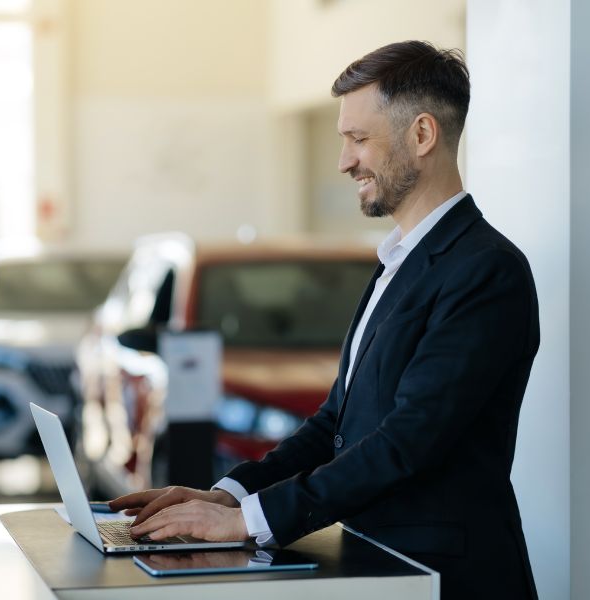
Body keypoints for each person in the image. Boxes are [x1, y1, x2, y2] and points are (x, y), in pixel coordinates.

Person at [110, 40, 540, 600]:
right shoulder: (398, 262)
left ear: (423, 135)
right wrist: (230, 495)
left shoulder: (486, 270)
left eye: (359, 139)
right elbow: (334, 422)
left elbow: (408, 441)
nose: (344, 161)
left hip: (449, 579)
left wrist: (248, 523)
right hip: (381, 566)